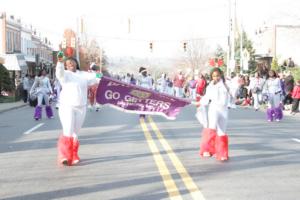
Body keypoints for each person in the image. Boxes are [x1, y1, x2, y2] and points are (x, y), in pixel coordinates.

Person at [56, 55, 99, 166]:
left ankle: (73, 154)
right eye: (68, 63)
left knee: (75, 132)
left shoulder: (83, 75)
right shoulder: (65, 75)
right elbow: (59, 73)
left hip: (81, 107)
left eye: (72, 62)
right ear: (66, 66)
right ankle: (64, 156)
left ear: (76, 63)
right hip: (67, 106)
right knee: (68, 129)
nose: (70, 64)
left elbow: (95, 78)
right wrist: (60, 62)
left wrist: (97, 72)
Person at [197, 67, 230, 161]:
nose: (216, 78)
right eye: (214, 76)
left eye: (218, 75)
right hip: (213, 109)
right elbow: (206, 98)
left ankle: (221, 153)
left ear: (221, 75)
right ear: (211, 77)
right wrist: (200, 103)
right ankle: (206, 149)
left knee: (222, 132)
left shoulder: (226, 85)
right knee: (212, 128)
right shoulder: (210, 87)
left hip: (223, 110)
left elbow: (231, 98)